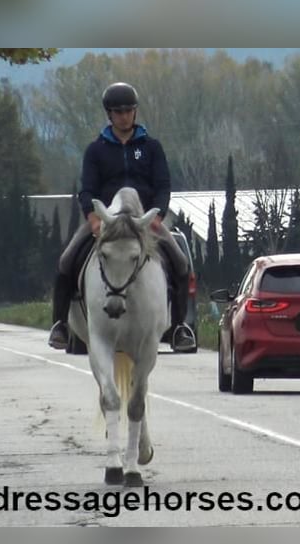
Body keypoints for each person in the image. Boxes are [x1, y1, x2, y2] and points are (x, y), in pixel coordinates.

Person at [48, 82, 197, 352]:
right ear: (109, 114)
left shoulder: (152, 148)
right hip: (106, 220)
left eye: (129, 111)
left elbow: (163, 185)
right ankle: (60, 324)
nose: (124, 116)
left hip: (144, 220)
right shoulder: (96, 150)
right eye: (118, 112)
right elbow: (87, 189)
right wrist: (92, 217)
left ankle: (179, 327)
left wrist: (158, 215)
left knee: (180, 261)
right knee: (67, 260)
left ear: (135, 113)